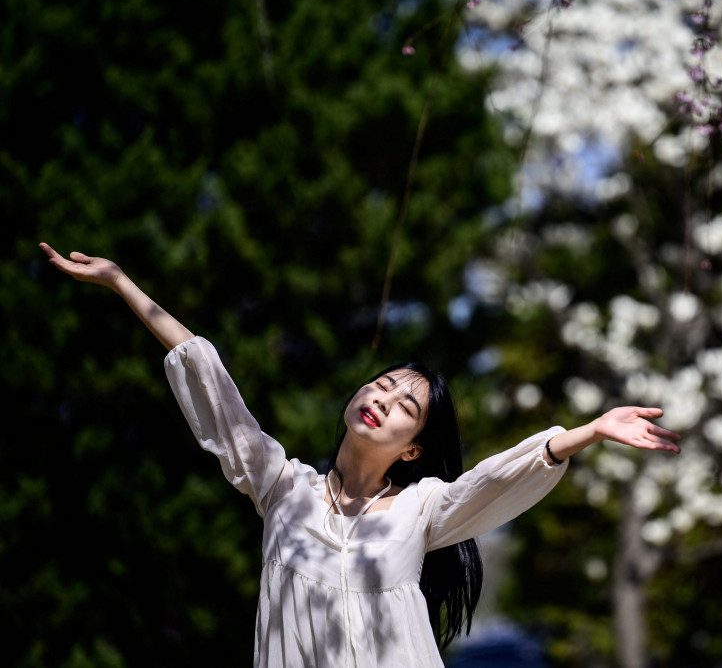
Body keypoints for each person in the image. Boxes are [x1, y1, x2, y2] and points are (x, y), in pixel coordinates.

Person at [39, 242, 682, 667]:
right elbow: (211, 381)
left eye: (404, 406)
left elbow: (492, 480)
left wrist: (588, 432)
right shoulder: (282, 487)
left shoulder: (422, 509)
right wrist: (121, 282)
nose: (382, 398)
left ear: (414, 448)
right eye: (381, 384)